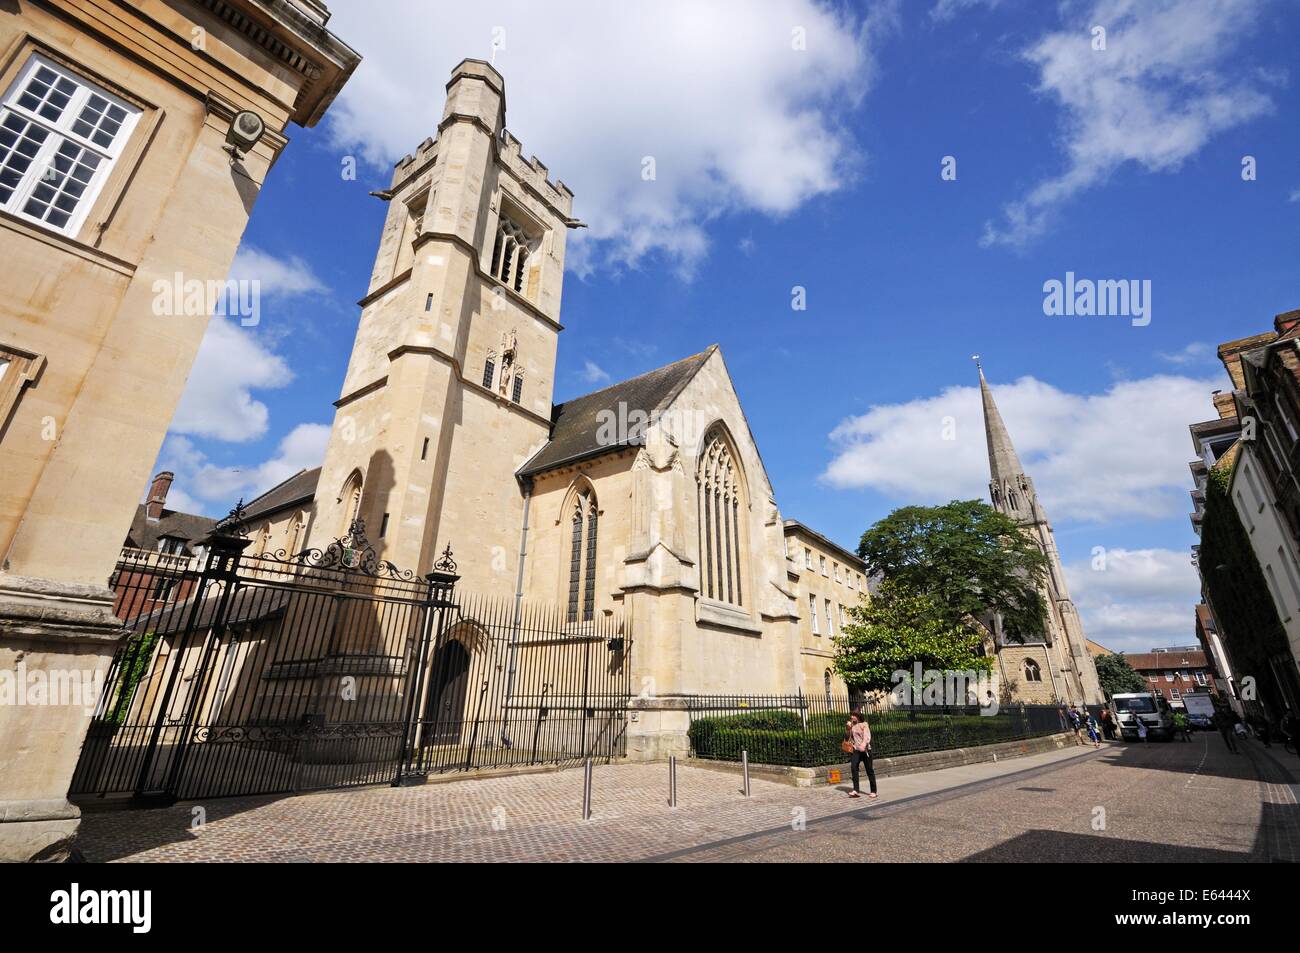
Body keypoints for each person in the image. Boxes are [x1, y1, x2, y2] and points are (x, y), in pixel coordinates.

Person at [845, 710, 878, 800]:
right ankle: (856, 790)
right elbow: (848, 737)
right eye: (851, 715)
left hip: (866, 750)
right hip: (856, 750)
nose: (851, 717)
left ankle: (873, 791)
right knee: (853, 767)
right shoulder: (852, 726)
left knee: (869, 770)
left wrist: (863, 745)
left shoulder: (864, 724)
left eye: (853, 715)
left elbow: (867, 736)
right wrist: (848, 728)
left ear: (858, 716)